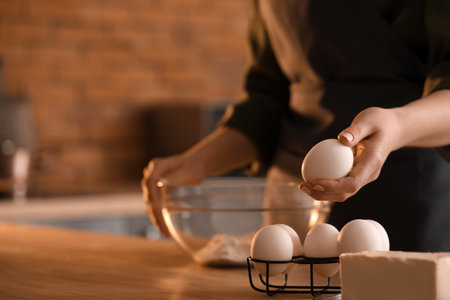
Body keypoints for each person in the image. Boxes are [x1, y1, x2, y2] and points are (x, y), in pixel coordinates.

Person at [142, 0, 450, 251]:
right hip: (291, 201)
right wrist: (196, 162)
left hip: (403, 193)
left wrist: (396, 125)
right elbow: (266, 101)